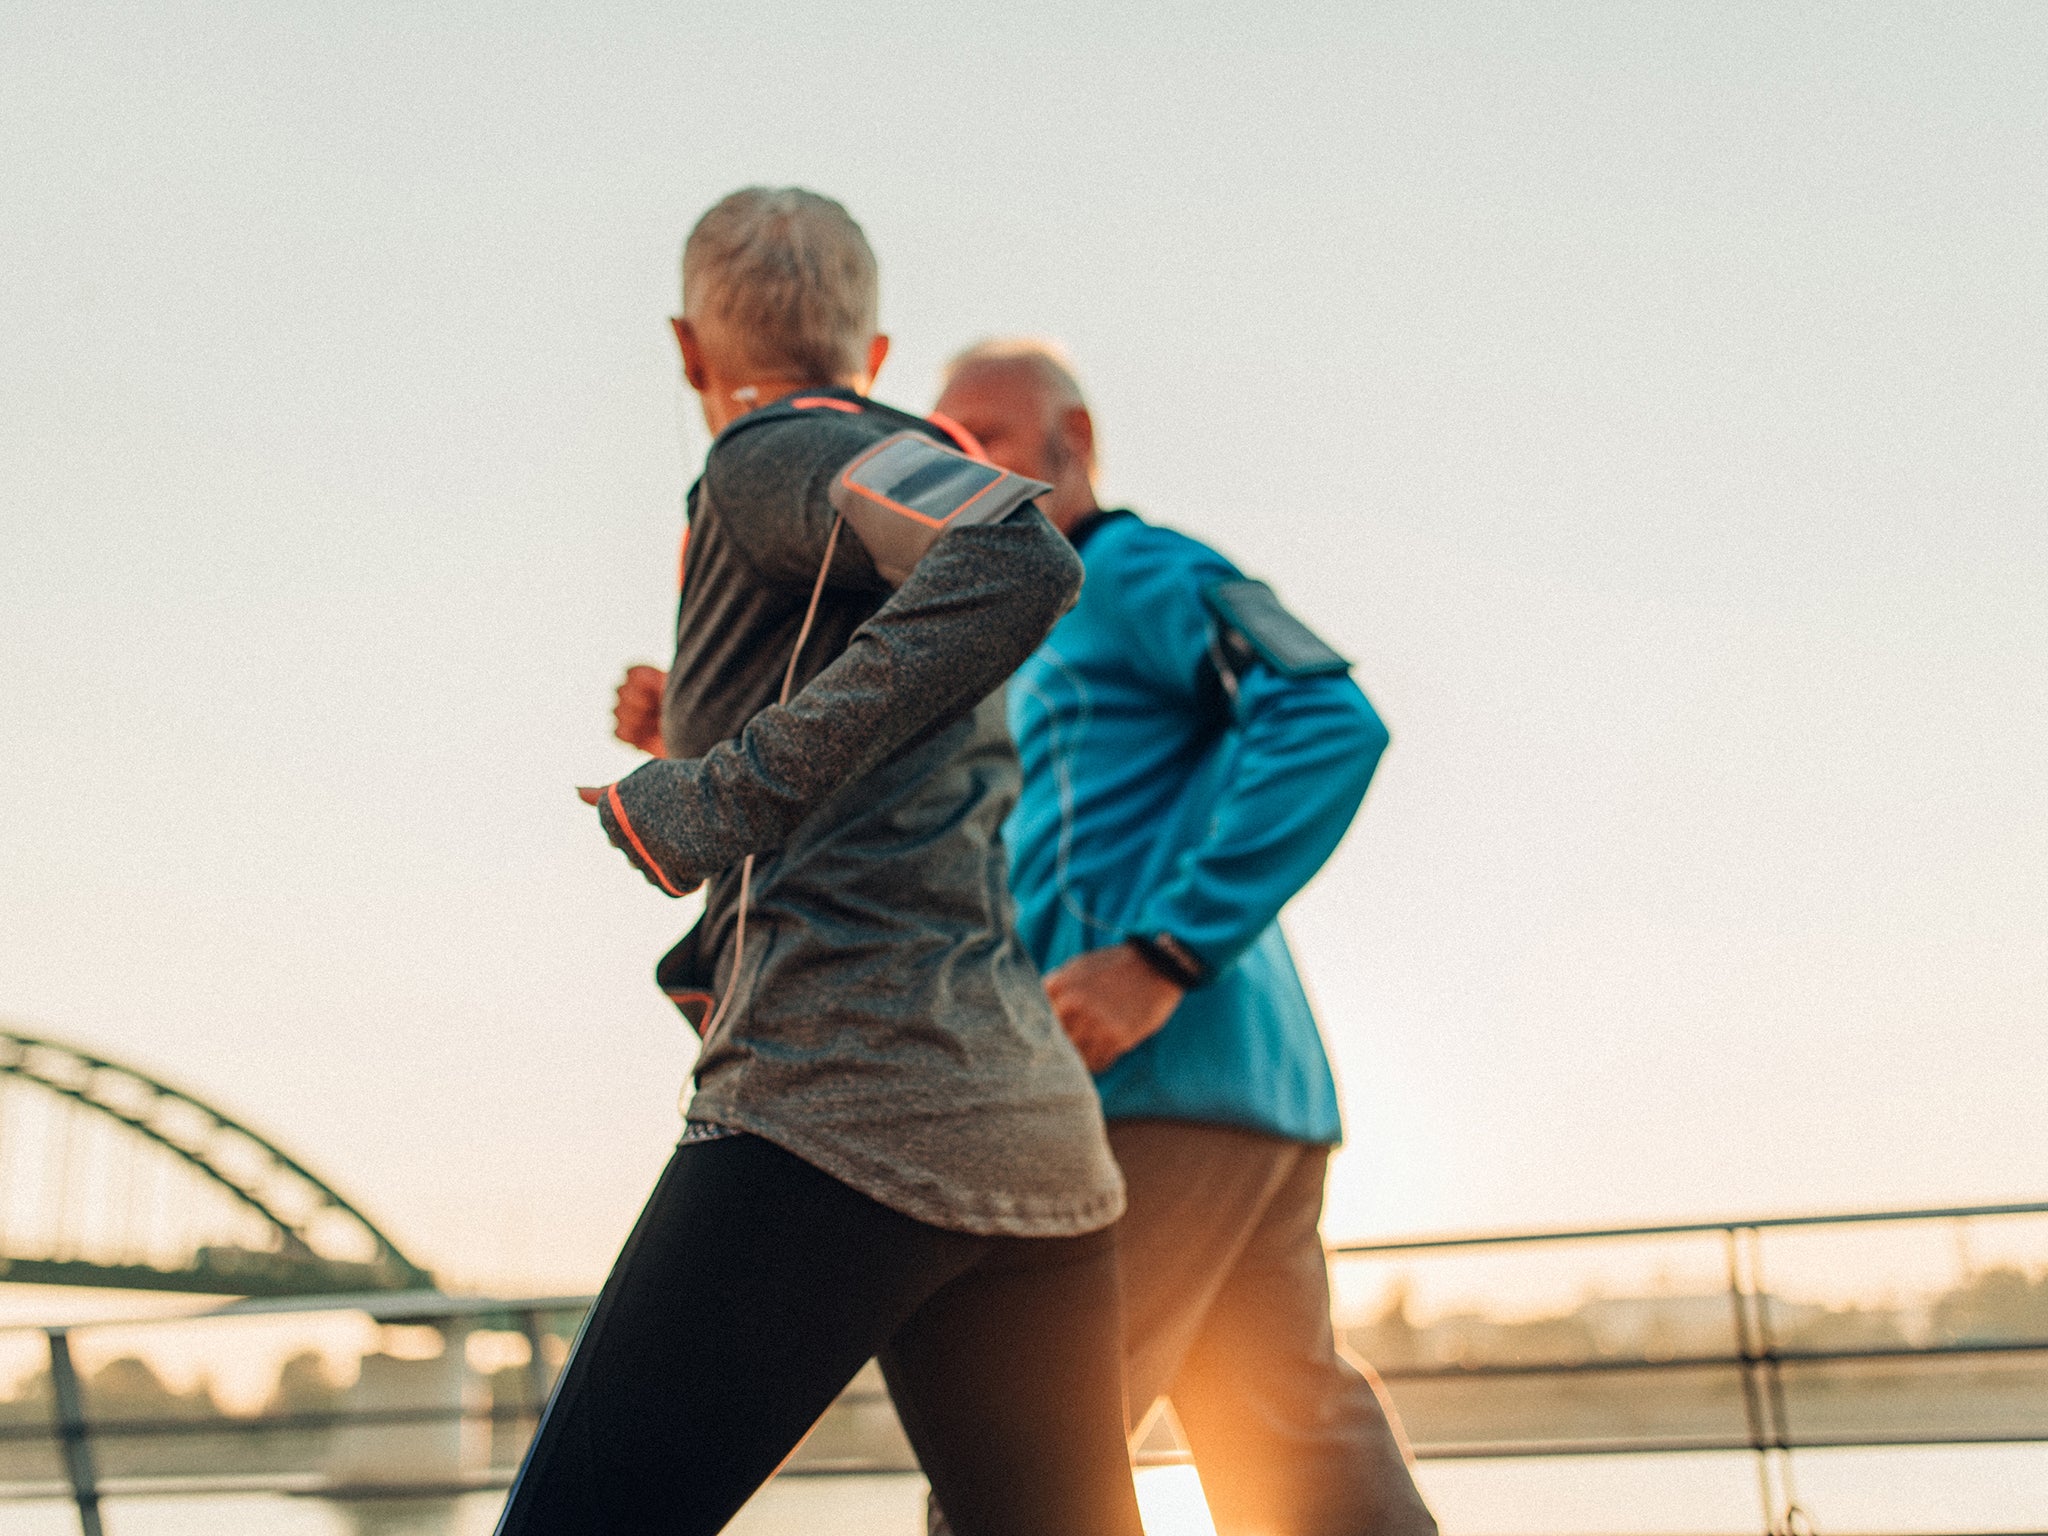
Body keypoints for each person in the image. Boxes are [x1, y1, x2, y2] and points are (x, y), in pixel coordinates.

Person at [501, 193, 1143, 1536]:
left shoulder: (776, 447)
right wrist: (696, 714)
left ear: (689, 349)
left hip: (839, 1099)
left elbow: (1013, 552)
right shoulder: (862, 472)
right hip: (1028, 1133)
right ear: (879, 340)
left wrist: (715, 795)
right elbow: (909, 711)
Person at [926, 340, 1441, 1536]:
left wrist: (1163, 957)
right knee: (1299, 1460)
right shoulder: (1023, 625)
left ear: (1076, 440)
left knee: (1013, 1462)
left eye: (991, 438)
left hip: (1155, 1081)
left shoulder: (1133, 572)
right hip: (1234, 1098)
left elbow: (1326, 714)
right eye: (945, 446)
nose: (968, 468)